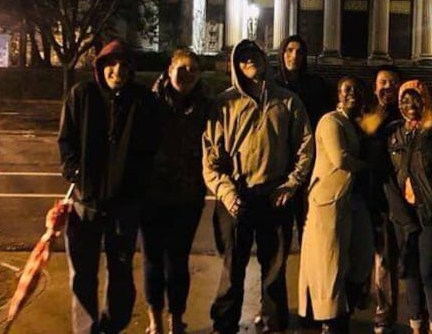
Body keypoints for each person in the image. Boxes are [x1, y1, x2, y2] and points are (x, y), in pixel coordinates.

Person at [203, 39, 314, 334]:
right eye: (243, 58)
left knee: (275, 271)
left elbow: (305, 146)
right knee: (231, 269)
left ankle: (275, 323)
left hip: (274, 196)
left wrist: (291, 185)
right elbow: (211, 158)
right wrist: (227, 193)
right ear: (236, 66)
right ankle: (224, 325)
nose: (250, 60)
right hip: (235, 198)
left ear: (265, 60)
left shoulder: (288, 102)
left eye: (255, 55)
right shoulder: (224, 103)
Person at [58, 39, 158, 334]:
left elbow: (151, 148)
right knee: (83, 276)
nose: (118, 71)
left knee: (121, 274)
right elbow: (67, 140)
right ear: (100, 66)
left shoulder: (143, 101)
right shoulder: (81, 95)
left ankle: (112, 326)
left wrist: (138, 185)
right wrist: (75, 173)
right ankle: (86, 329)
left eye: (125, 65)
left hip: (123, 207)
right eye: (111, 64)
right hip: (85, 204)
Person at [141, 49, 210, 334]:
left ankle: (176, 318)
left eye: (193, 69)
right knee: (153, 259)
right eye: (182, 68)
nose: (187, 74)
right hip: (152, 195)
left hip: (188, 196)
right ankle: (154, 320)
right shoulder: (149, 102)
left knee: (178, 261)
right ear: (169, 69)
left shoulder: (206, 105)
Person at [298, 77, 374, 334]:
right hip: (329, 200)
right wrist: (369, 168)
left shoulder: (359, 123)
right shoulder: (330, 121)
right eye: (346, 89)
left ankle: (344, 310)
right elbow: (340, 158)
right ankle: (330, 321)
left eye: (357, 89)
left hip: (353, 199)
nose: (352, 93)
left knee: (359, 259)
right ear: (337, 96)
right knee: (330, 263)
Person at [384, 80, 432, 334]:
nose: (410, 105)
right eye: (405, 100)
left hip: (431, 211)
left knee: (428, 271)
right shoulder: (394, 132)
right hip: (404, 214)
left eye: (416, 99)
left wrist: (427, 140)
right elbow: (389, 173)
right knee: (410, 271)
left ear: (425, 100)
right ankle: (416, 324)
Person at [274, 34, 332, 243]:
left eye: (299, 52)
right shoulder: (272, 85)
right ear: (282, 54)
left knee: (309, 225)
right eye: (289, 50)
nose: (294, 56)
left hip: (310, 161)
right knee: (280, 231)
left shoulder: (316, 85)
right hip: (279, 165)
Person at [363, 65, 403, 334]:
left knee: (386, 257)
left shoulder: (406, 113)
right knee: (361, 253)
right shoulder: (367, 113)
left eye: (391, 82)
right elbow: (365, 133)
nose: (386, 87)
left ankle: (385, 311)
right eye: (382, 82)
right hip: (365, 191)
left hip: (391, 196)